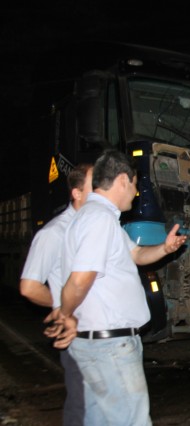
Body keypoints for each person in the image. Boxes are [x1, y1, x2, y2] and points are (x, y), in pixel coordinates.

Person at [54, 149, 187, 425]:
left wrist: (164, 248)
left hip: (97, 344)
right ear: (123, 180)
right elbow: (79, 280)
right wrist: (65, 315)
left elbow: (136, 255)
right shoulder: (99, 220)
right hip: (110, 346)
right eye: (136, 184)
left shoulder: (100, 219)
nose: (137, 192)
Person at [19, 163, 93, 426]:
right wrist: (62, 306)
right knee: (83, 405)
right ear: (77, 193)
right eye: (95, 187)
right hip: (79, 333)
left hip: (104, 331)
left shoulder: (98, 229)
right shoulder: (53, 234)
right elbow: (29, 287)